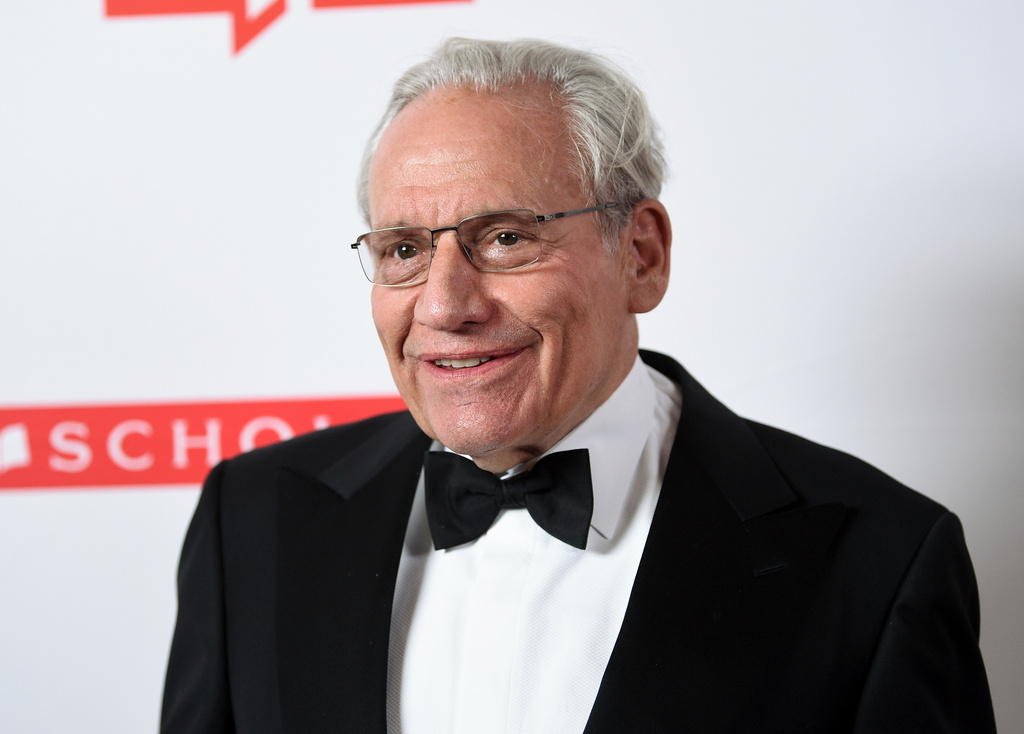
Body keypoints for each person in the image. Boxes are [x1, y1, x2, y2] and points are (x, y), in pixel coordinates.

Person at [160, 38, 996, 733]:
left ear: (640, 254)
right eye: (406, 250)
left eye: (505, 237)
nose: (446, 307)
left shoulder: (879, 560)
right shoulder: (254, 518)